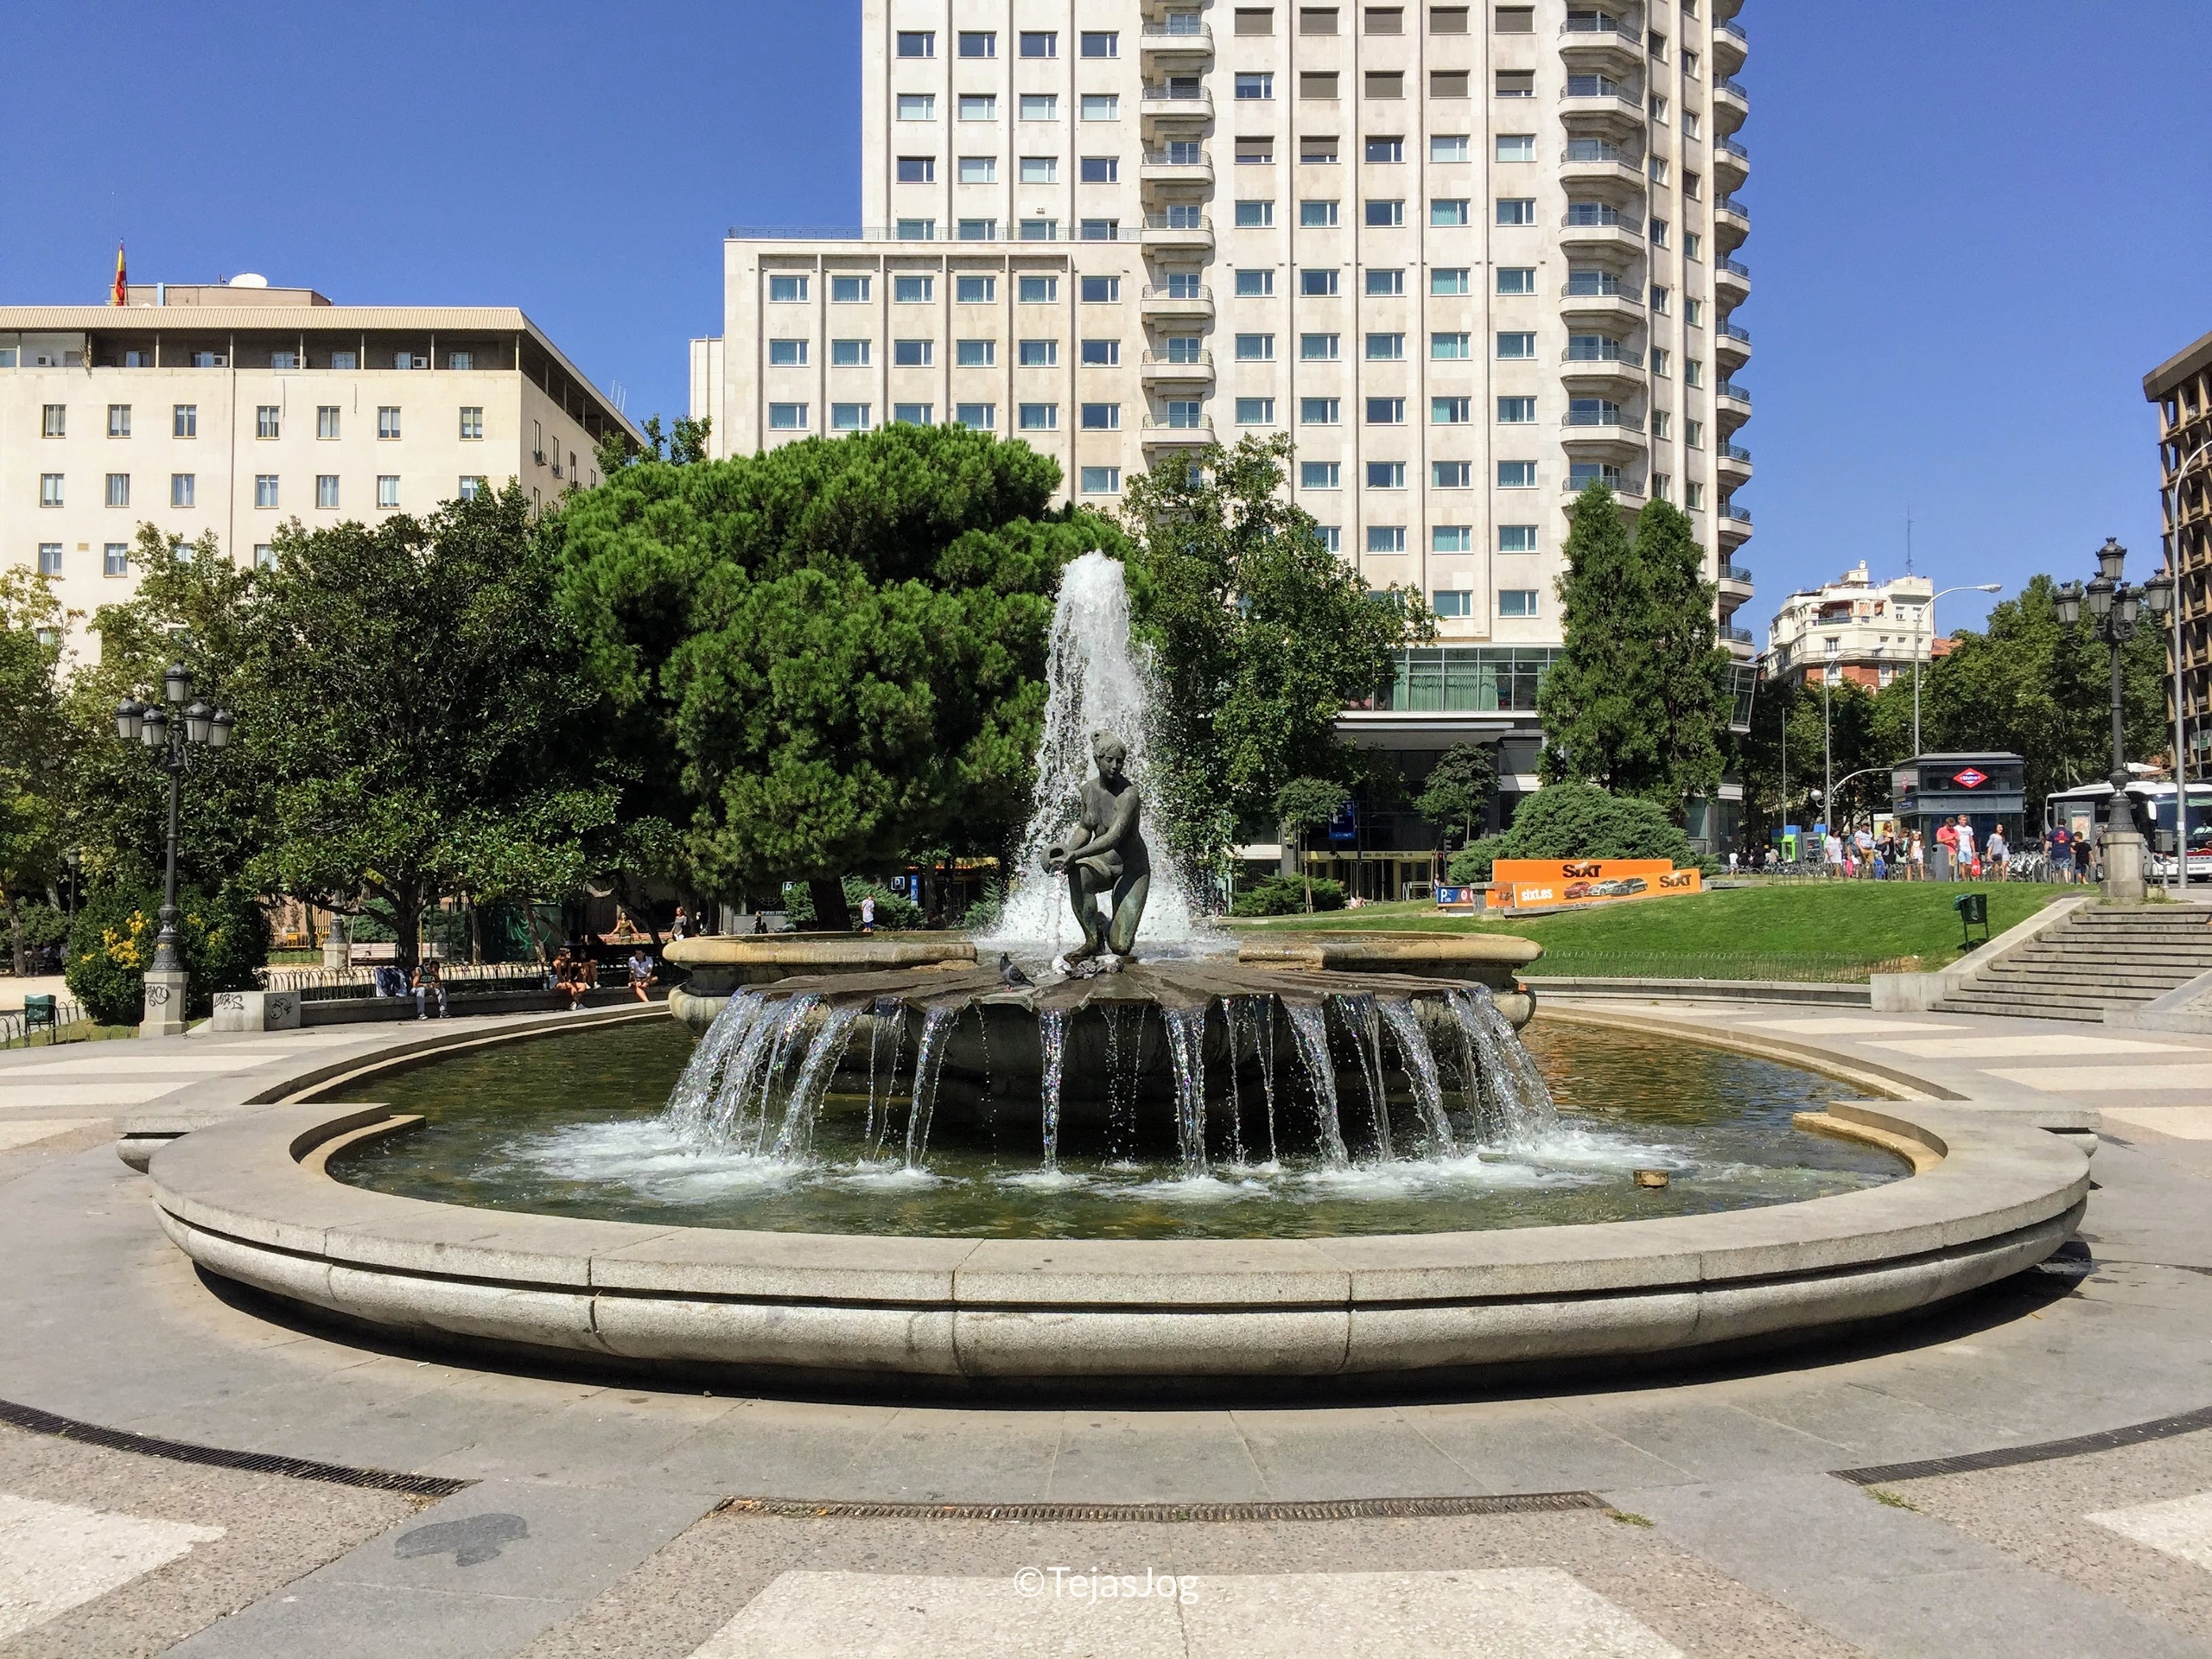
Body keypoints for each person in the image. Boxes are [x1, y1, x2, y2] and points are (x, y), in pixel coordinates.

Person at [411, 955, 448, 1020]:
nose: (434, 972)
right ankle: (421, 1013)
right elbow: (414, 984)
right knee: (421, 990)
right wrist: (425, 985)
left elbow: (439, 983)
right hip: (417, 989)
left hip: (429, 989)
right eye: (433, 971)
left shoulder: (435, 971)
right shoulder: (419, 970)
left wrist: (436, 985)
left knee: (442, 990)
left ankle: (443, 1011)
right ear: (429, 967)